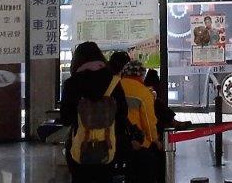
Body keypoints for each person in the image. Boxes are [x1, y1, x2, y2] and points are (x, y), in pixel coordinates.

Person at [60, 42, 129, 183]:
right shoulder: (114, 82)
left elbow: (66, 118)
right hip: (108, 147)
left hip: (79, 147)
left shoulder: (71, 84)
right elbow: (122, 115)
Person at [120, 59, 163, 183]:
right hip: (140, 143)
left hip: (119, 141)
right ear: (141, 75)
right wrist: (155, 140)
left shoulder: (116, 87)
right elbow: (148, 122)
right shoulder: (143, 92)